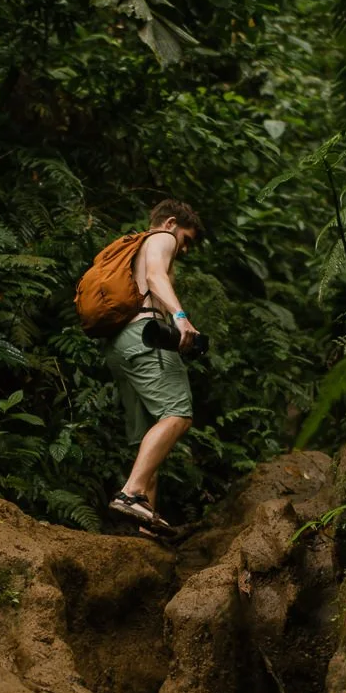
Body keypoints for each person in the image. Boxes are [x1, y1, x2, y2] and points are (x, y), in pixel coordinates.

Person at [104, 198, 203, 532]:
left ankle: (144, 527)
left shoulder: (134, 247)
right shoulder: (161, 238)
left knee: (151, 437)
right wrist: (181, 318)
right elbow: (156, 276)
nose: (184, 248)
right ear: (171, 223)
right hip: (144, 338)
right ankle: (130, 495)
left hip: (120, 345)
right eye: (186, 239)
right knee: (178, 414)